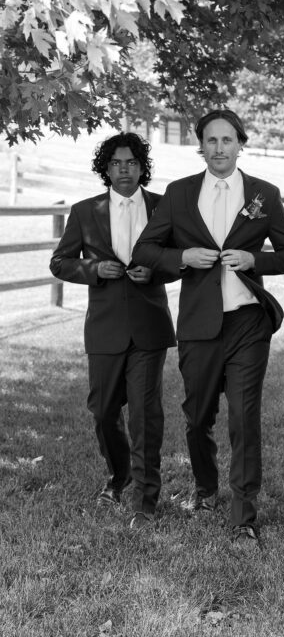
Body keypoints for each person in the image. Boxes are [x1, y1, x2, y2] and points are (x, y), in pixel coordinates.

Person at [132, 109, 284, 549]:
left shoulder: (264, 193)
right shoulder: (180, 193)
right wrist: (181, 258)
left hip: (248, 321)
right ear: (201, 146)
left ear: (240, 144)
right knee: (197, 417)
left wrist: (254, 260)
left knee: (245, 419)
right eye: (212, 140)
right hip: (198, 324)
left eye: (228, 140)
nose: (220, 148)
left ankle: (243, 514)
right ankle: (206, 489)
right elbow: (146, 248)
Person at [50, 132, 177, 528]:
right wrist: (93, 270)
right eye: (117, 163)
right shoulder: (86, 211)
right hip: (104, 328)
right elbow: (60, 262)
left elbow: (180, 260)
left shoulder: (163, 208)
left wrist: (155, 269)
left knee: (144, 414)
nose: (125, 170)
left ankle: (145, 501)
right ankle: (118, 475)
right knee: (104, 412)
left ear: (143, 168)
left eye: (132, 163)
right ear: (106, 168)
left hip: (149, 327)